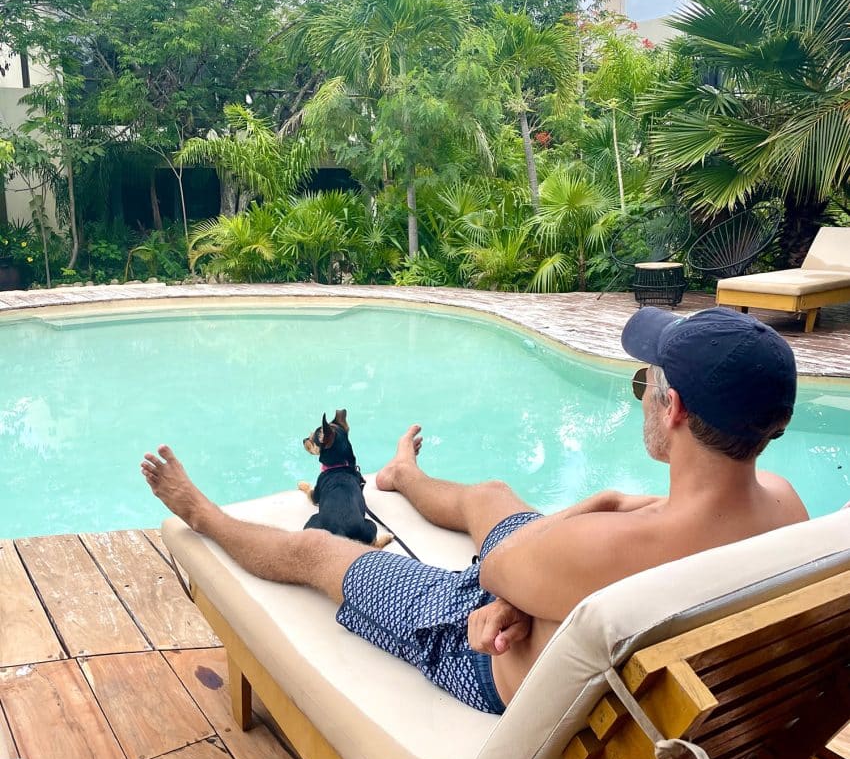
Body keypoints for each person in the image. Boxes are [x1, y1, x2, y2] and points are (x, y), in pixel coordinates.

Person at [141, 306, 807, 715]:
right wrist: (531, 591)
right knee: (490, 495)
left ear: (676, 409)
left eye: (649, 383)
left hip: (474, 651)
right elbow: (581, 561)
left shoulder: (614, 542)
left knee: (318, 552)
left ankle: (203, 517)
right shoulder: (782, 505)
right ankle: (403, 475)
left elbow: (503, 570)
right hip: (556, 607)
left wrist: (592, 510)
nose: (644, 395)